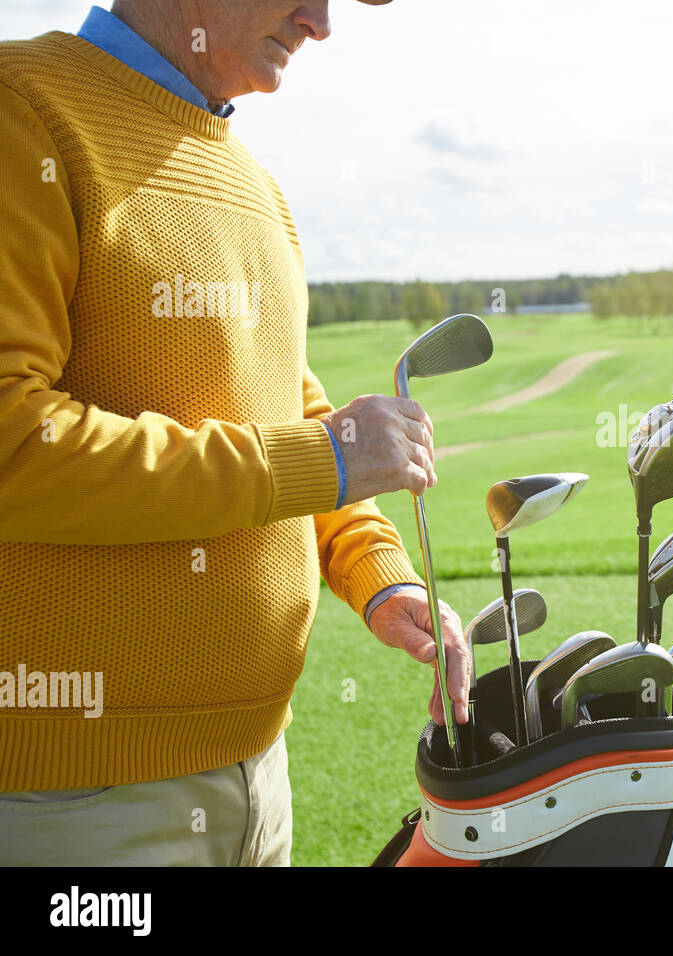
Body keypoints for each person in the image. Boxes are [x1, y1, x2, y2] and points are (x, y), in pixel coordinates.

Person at [0, 0, 472, 865]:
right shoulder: (21, 106)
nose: (320, 23)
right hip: (71, 800)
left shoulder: (255, 181)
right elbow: (11, 444)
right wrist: (325, 457)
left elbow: (289, 411)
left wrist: (378, 577)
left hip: (259, 773)